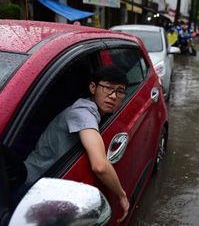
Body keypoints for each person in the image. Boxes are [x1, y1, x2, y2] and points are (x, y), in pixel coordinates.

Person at [23, 65, 130, 222]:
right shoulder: (83, 113)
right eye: (108, 88)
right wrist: (122, 195)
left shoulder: (91, 109)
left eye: (120, 91)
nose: (113, 96)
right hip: (31, 186)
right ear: (93, 87)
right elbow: (100, 166)